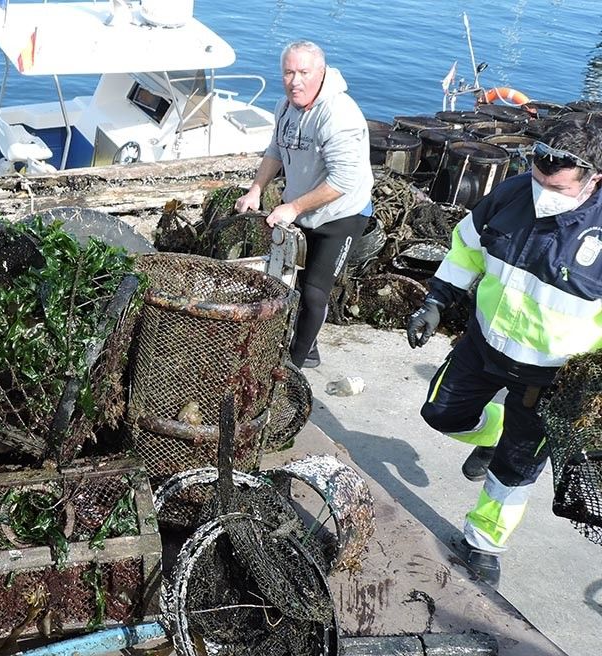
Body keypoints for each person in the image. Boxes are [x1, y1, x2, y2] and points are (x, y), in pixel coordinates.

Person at [407, 117, 602, 586]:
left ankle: (484, 543)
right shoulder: (511, 195)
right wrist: (435, 303)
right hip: (484, 344)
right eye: (537, 178)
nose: (541, 192)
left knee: (517, 468)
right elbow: (466, 250)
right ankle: (489, 430)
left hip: (554, 376)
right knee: (441, 414)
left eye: (554, 185)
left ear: (593, 177)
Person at [233, 40, 373, 369]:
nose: (295, 81)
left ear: (321, 73)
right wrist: (255, 190)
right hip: (300, 211)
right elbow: (275, 151)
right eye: (288, 72)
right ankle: (307, 345)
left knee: (313, 291)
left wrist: (293, 208)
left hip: (342, 215)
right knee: (286, 282)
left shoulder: (339, 116)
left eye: (304, 72)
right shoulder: (286, 106)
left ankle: (292, 367)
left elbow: (342, 182)